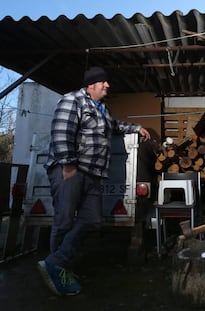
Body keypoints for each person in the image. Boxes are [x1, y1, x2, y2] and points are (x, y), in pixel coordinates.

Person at [37, 66, 151, 296]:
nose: (107, 85)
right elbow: (61, 132)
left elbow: (115, 127)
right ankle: (60, 271)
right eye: (103, 82)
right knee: (64, 221)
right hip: (72, 170)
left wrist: (137, 127)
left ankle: (55, 262)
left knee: (93, 219)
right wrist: (68, 165)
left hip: (93, 173)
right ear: (91, 85)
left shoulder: (103, 110)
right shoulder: (72, 100)